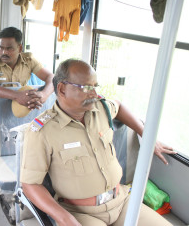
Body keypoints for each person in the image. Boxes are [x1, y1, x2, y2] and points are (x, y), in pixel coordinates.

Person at [20, 59, 176, 226]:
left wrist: (147, 137)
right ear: (62, 89)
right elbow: (30, 184)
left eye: (95, 86)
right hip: (81, 213)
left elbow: (119, 106)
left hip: (122, 202)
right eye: (87, 88)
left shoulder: (101, 109)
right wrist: (65, 219)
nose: (94, 94)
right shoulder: (42, 131)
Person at [0, 26, 54, 153]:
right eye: (1, 47)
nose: (3, 52)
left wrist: (44, 95)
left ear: (20, 48)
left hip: (20, 110)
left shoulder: (29, 61)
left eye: (9, 49)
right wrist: (17, 95)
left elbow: (51, 77)